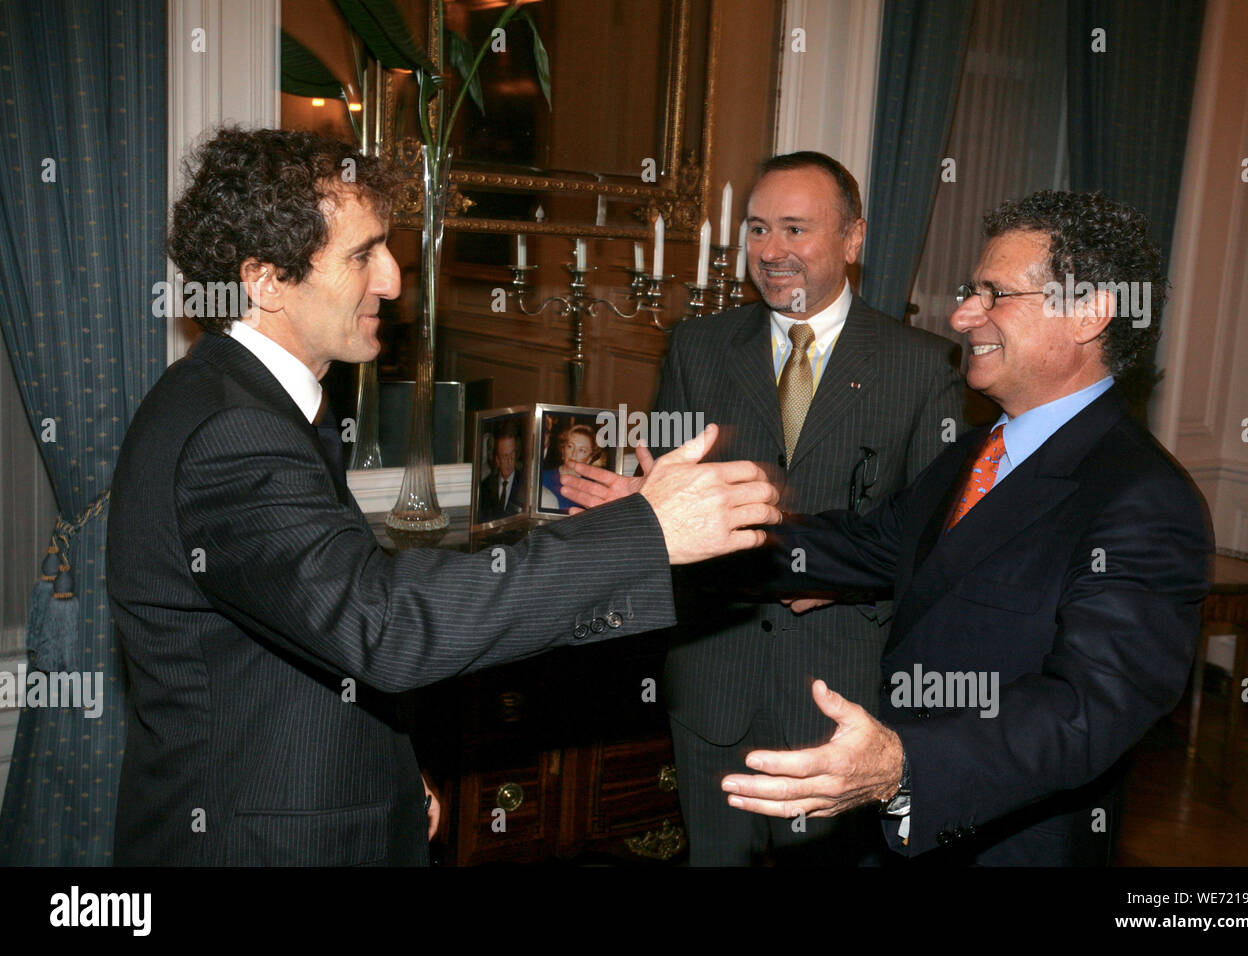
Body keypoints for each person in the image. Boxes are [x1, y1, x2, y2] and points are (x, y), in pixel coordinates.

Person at [105, 126, 781, 866]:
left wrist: (389, 771)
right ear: (265, 280)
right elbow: (382, 624)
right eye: (363, 254)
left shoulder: (252, 398)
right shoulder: (234, 429)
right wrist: (645, 530)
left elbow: (312, 633)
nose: (393, 280)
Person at [719, 190, 1213, 865]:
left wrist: (905, 766)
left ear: (1089, 314)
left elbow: (1088, 708)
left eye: (994, 294)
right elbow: (861, 547)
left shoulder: (1144, 501)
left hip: (1002, 840)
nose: (960, 316)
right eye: (968, 291)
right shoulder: (977, 449)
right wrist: (690, 525)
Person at [561, 152, 964, 864]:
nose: (770, 251)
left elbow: (935, 546)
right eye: (756, 229)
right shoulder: (697, 346)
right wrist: (638, 510)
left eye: (795, 229)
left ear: (853, 238)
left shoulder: (923, 366)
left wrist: (837, 577)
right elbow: (670, 490)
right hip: (715, 679)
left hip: (844, 692)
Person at [539, 424, 599, 513]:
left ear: (589, 458)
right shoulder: (542, 478)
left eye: (582, 450)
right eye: (570, 446)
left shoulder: (593, 488)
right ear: (563, 450)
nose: (574, 454)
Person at [477, 431, 526, 522]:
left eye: (512, 454)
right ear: (497, 460)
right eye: (504, 456)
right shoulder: (485, 487)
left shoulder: (525, 484)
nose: (509, 461)